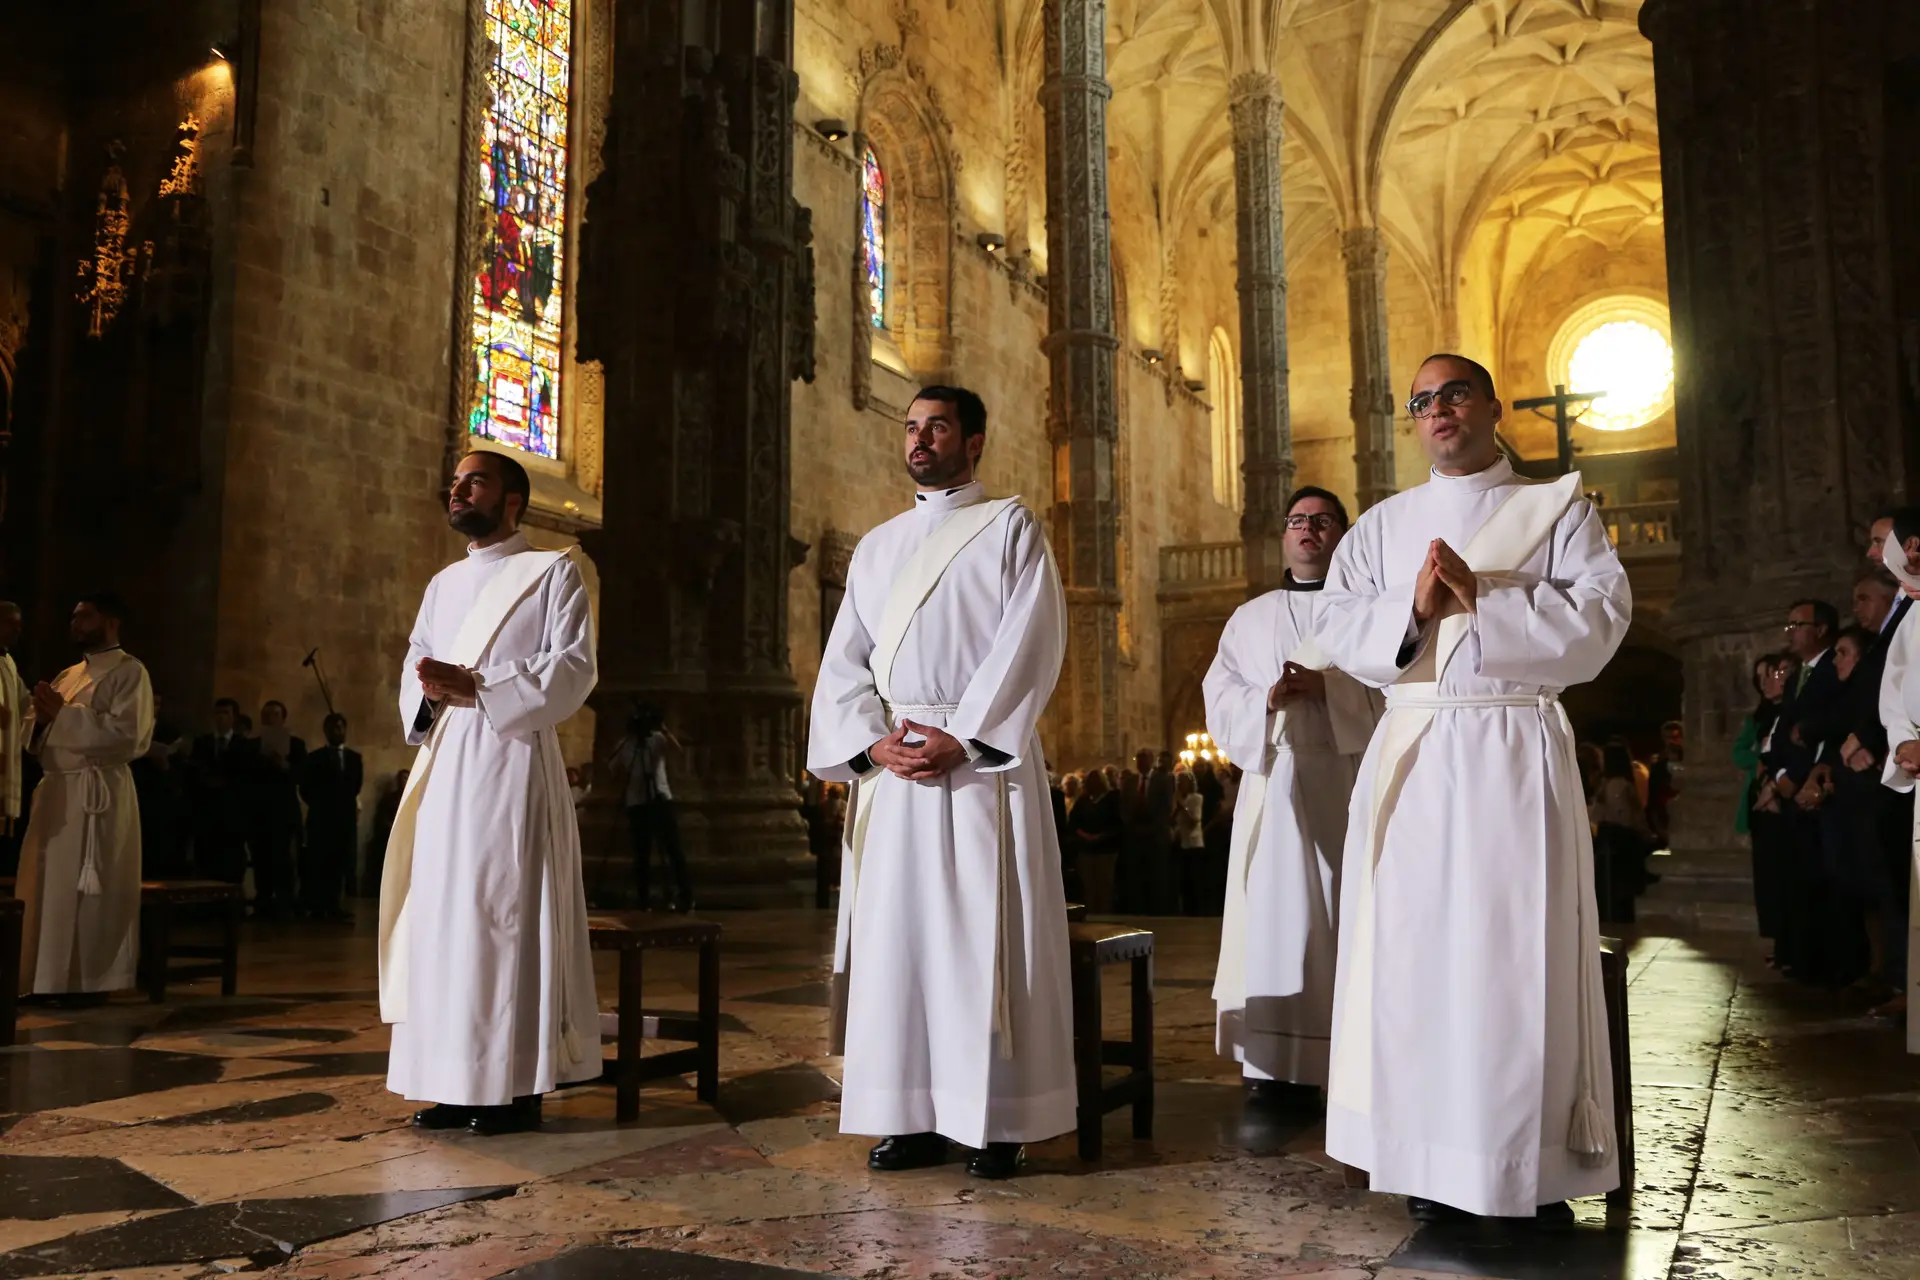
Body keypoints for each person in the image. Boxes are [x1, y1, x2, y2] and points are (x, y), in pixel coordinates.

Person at [1316, 353, 1630, 1222]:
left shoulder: (1559, 510)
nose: (1438, 410)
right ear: (1411, 421)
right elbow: (1338, 621)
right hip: (1415, 750)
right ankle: (1421, 1159)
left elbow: (1602, 620)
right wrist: (1414, 611)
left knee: (1511, 958)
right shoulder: (1380, 527)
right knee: (1412, 959)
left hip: (1512, 747)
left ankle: (1521, 1168)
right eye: (1421, 401)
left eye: (1455, 393)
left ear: (1493, 407)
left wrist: (1484, 603)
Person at [805, 384, 1072, 1180]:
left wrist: (968, 733)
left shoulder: (1010, 526)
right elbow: (843, 662)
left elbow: (1032, 637)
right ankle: (907, 1111)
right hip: (896, 769)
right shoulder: (880, 545)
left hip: (978, 764)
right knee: (901, 947)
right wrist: (869, 744)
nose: (920, 440)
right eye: (912, 427)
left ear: (975, 440)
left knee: (977, 942)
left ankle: (994, 1119)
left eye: (938, 427)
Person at [381, 448, 599, 1136]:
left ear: (511, 499)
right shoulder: (443, 584)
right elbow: (417, 672)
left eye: (473, 481)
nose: (457, 491)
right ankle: (451, 1079)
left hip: (509, 759)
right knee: (445, 922)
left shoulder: (554, 573)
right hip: (447, 764)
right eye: (454, 482)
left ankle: (511, 1084)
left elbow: (573, 669)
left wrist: (481, 687)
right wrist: (431, 695)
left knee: (504, 919)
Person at [1206, 485, 1383, 1109]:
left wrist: (1329, 693)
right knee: (1271, 918)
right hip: (1272, 782)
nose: (1309, 530)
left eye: (1323, 521)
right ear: (1284, 535)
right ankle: (1269, 1062)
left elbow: (1395, 693)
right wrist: (1266, 701)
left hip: (1343, 780)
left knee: (1341, 915)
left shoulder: (1371, 612)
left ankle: (1344, 1057)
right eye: (1297, 520)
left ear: (1343, 535)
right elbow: (1220, 692)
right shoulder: (1250, 618)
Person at [14, 593, 154, 997]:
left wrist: (64, 715)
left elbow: (130, 736)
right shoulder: (68, 675)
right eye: (73, 617)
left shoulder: (131, 673)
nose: (74, 624)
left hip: (98, 796)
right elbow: (32, 736)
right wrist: (40, 720)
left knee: (90, 889)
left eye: (84, 617)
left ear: (111, 622)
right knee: (46, 887)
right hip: (57, 791)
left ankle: (87, 981)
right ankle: (43, 979)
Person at [608, 705, 691, 912]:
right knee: (641, 854)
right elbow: (611, 768)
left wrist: (663, 729)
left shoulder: (657, 740)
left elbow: (677, 750)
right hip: (637, 804)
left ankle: (686, 896)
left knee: (674, 851)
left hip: (660, 799)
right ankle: (643, 899)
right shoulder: (625, 745)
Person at [299, 713, 362, 921]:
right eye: (334, 728)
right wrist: (322, 804)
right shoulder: (314, 758)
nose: (338, 732)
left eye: (341, 727)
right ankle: (318, 907)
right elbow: (306, 788)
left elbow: (355, 787)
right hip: (320, 819)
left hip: (344, 820)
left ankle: (335, 906)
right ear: (326, 731)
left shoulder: (354, 758)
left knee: (340, 863)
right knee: (319, 863)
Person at [250, 700, 307, 919]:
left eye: (275, 714)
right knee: (261, 858)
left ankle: (285, 904)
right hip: (260, 810)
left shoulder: (296, 745)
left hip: (285, 811)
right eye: (267, 714)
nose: (271, 718)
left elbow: (302, 776)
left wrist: (283, 764)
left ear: (283, 718)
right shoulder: (252, 745)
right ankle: (262, 902)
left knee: (285, 860)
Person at [190, 698, 256, 884]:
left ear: (234, 717)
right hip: (207, 817)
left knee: (232, 869)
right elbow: (194, 773)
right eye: (217, 713)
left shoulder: (245, 746)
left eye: (225, 713)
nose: (220, 718)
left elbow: (247, 779)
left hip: (233, 818)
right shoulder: (202, 743)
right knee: (205, 868)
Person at [1590, 741, 1652, 921]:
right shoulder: (1616, 784)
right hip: (1620, 838)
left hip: (1620, 840)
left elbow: (1621, 816)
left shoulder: (1616, 785)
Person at [1064, 766, 1122, 911]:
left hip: (1106, 850)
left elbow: (1116, 823)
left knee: (1105, 885)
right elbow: (1073, 822)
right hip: (1086, 850)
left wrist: (1100, 836)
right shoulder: (1083, 801)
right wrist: (1084, 835)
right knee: (1088, 886)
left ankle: (1105, 913)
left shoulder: (1111, 800)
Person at [0, 601, 25, 874]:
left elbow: (24, 704)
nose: (17, 631)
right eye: (11, 623)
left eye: (19, 626)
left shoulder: (8, 662)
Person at [1173, 770, 1207, 915]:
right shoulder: (1177, 799)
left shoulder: (1196, 798)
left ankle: (1197, 911)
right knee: (1184, 881)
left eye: (1183, 781)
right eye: (1178, 781)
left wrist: (1182, 806)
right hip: (1182, 844)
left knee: (1195, 880)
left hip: (1194, 844)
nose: (1180, 784)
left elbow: (1194, 821)